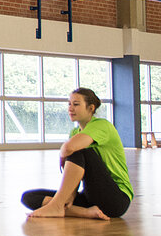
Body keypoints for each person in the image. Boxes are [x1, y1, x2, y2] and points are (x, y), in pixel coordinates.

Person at [22, 87, 133, 220]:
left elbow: (69, 148)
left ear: (91, 108)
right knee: (29, 197)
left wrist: (63, 154)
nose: (70, 108)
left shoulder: (102, 125)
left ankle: (57, 206)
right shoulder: (75, 133)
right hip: (90, 197)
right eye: (69, 104)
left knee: (78, 149)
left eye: (76, 104)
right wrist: (71, 194)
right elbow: (76, 169)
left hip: (116, 200)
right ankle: (84, 212)